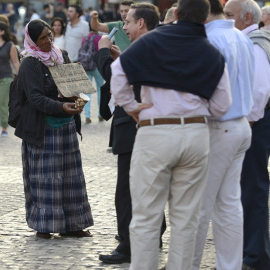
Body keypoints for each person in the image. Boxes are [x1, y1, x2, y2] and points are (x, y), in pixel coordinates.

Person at [111, 0, 232, 268]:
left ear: (176, 14)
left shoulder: (151, 41)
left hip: (156, 131)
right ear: (205, 20)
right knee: (186, 218)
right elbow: (223, 105)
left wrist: (131, 106)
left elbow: (117, 70)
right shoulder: (211, 51)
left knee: (145, 215)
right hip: (195, 133)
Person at [97, 3, 165, 265]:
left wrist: (103, 53)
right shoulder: (157, 44)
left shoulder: (142, 46)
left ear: (141, 23)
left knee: (126, 189)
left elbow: (116, 79)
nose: (123, 26)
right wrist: (119, 58)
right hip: (148, 124)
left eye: (128, 22)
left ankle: (127, 245)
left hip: (133, 125)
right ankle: (154, 234)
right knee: (150, 184)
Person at [16, 19, 93, 239]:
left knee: (71, 177)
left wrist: (78, 97)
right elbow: (35, 98)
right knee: (45, 178)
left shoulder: (62, 56)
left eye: (50, 35)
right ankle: (44, 225)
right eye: (43, 38)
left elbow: (74, 85)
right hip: (43, 128)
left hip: (66, 126)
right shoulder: (29, 63)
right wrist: (61, 106)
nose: (49, 41)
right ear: (33, 40)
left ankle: (74, 224)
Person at [192, 0, 255, 269]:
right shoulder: (240, 37)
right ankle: (229, 265)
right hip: (239, 124)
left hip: (220, 126)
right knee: (228, 204)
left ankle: (187, 264)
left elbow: (204, 91)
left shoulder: (212, 40)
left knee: (199, 205)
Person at [224, 1, 270, 269]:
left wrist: (249, 122)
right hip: (253, 121)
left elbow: (260, 90)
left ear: (247, 17)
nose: (226, 19)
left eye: (230, 15)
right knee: (245, 188)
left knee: (252, 188)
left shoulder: (253, 41)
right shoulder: (247, 39)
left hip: (256, 122)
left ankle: (256, 256)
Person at [0, 22, 20, 137]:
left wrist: (20, 77)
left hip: (5, 78)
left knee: (3, 104)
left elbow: (15, 61)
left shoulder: (9, 45)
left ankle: (4, 127)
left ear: (2, 31)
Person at [80, 27, 104, 124]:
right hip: (97, 67)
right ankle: (100, 114)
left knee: (86, 91)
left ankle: (87, 115)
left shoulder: (84, 38)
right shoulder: (100, 38)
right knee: (100, 90)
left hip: (86, 66)